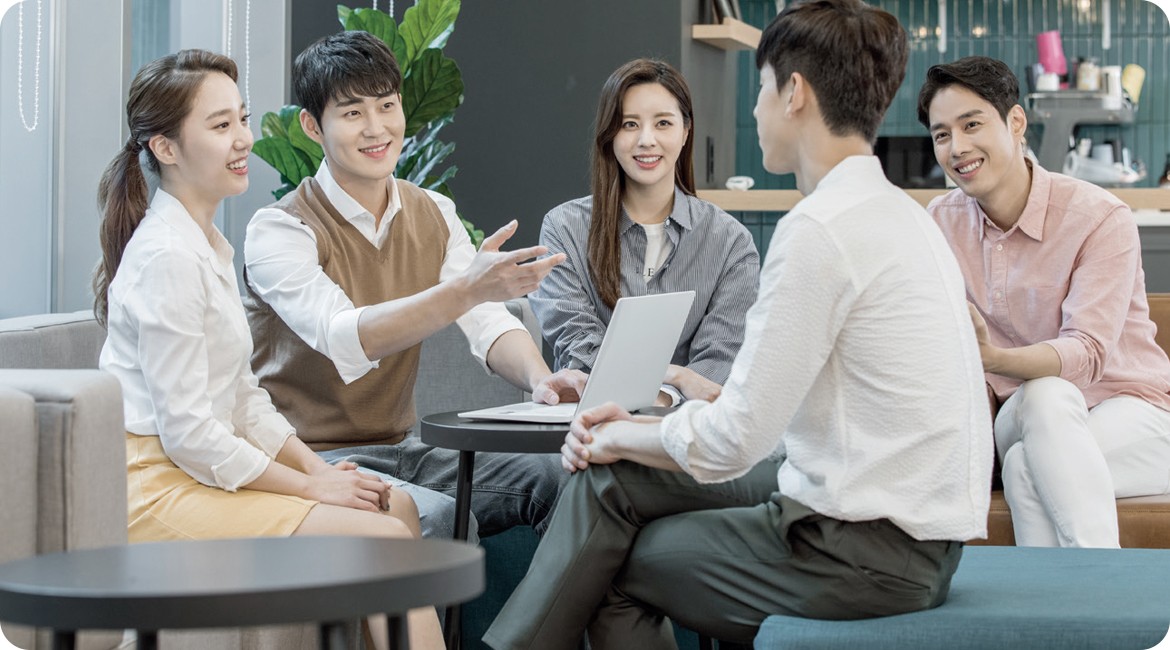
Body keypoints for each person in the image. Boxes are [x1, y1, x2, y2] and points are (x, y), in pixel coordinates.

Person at [484, 2, 992, 648]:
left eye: (759, 90)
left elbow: (736, 441)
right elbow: (764, 410)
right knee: (613, 486)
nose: (754, 111)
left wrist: (619, 433)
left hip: (858, 550)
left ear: (795, 94)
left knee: (609, 558)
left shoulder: (819, 231)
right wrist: (639, 430)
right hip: (914, 537)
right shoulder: (901, 215)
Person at [94, 50, 442, 649]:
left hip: (194, 470)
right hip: (154, 487)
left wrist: (316, 468)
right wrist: (312, 487)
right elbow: (188, 434)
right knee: (381, 538)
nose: (243, 141)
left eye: (242, 120)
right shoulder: (167, 257)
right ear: (166, 148)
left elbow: (244, 397)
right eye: (220, 125)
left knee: (395, 509)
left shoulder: (210, 245)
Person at [242, 31, 585, 541]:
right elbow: (346, 337)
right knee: (446, 517)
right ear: (313, 126)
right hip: (313, 459)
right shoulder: (280, 229)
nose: (376, 128)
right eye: (353, 113)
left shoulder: (432, 212)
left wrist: (540, 379)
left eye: (387, 105)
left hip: (407, 449)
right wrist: (469, 289)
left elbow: (486, 320)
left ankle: (536, 626)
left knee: (563, 480)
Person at [919, 56, 1170, 548]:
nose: (957, 147)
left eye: (972, 125)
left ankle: (1058, 612)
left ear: (1015, 122)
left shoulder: (1099, 217)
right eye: (942, 134)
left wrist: (994, 359)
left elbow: (1089, 353)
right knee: (1043, 398)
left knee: (1026, 466)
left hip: (1132, 413)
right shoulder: (940, 222)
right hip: (1020, 415)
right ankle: (1106, 598)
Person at [530, 58, 760, 406]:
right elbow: (579, 344)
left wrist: (664, 395)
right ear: (609, 135)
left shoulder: (731, 243)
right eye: (629, 124)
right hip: (588, 432)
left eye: (663, 123)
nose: (646, 140)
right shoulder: (564, 229)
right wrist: (677, 375)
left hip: (686, 435)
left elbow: (720, 360)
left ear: (686, 132)